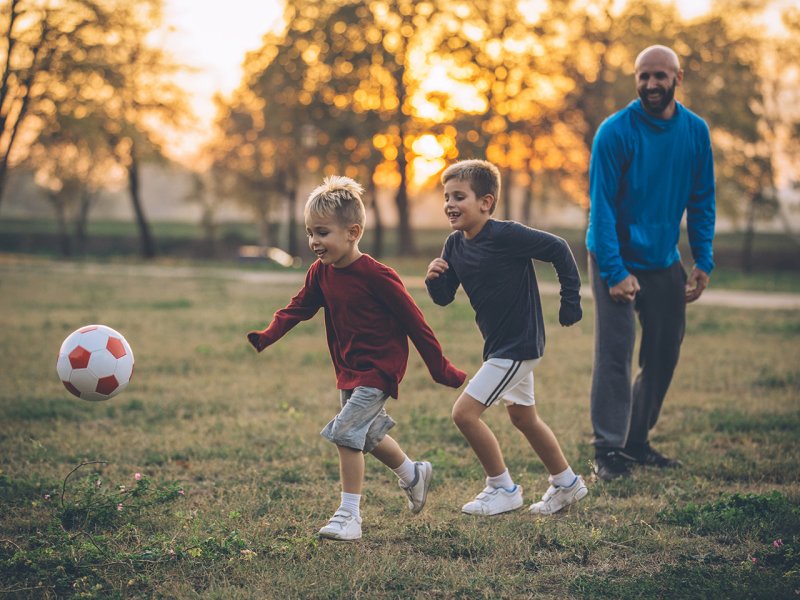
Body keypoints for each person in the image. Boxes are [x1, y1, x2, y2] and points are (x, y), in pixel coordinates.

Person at [247, 176, 466, 541]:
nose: (314, 242)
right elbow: (299, 307)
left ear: (353, 232)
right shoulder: (320, 272)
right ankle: (413, 473)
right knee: (368, 434)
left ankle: (349, 516)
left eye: (322, 233)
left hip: (380, 368)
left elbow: (417, 324)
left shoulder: (379, 276)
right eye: (310, 233)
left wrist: (441, 368)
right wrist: (268, 334)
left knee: (346, 432)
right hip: (348, 368)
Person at [425, 159, 587, 516]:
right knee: (524, 418)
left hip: (519, 343)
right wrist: (435, 280)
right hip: (499, 345)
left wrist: (570, 301)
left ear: (486, 202)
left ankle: (502, 487)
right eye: (447, 197)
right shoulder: (454, 245)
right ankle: (567, 484)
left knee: (464, 414)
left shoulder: (506, 235)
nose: (450, 204)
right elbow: (445, 297)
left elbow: (559, 248)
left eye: (459, 197)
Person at [586, 45, 716, 481]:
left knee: (664, 350)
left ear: (678, 77)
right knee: (616, 353)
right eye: (643, 76)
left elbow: (701, 201)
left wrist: (702, 259)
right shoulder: (615, 132)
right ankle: (608, 448)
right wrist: (614, 270)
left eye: (659, 76)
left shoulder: (695, 132)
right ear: (636, 78)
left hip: (663, 257)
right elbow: (601, 208)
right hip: (614, 252)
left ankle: (636, 440)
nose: (651, 84)